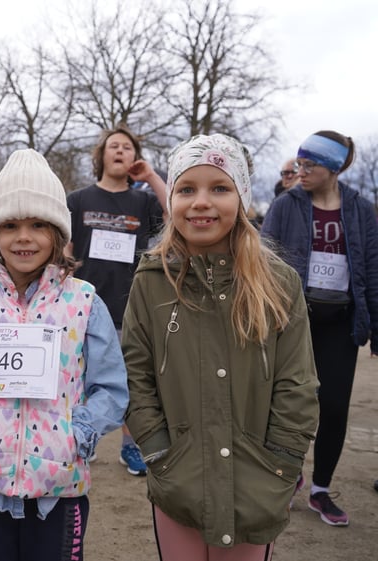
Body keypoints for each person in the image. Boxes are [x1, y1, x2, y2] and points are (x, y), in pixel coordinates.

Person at [0, 148, 128, 561]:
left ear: (59, 232)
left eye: (38, 224)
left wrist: (78, 435)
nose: (23, 237)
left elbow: (111, 388)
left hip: (60, 489)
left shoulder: (84, 302)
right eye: (11, 225)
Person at [122, 133, 319, 560]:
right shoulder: (151, 281)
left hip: (257, 478)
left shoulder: (279, 282)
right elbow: (134, 372)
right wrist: (158, 450)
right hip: (179, 476)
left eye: (220, 188)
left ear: (242, 197)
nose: (201, 202)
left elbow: (297, 381)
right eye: (187, 189)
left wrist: (282, 461)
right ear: (171, 197)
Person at [261, 130, 378, 527]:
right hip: (293, 320)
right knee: (284, 402)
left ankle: (321, 490)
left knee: (333, 407)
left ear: (334, 168)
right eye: (299, 162)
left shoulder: (361, 209)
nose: (300, 170)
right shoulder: (285, 204)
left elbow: (372, 270)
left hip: (340, 323)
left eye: (309, 164)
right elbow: (264, 261)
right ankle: (286, 476)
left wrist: (374, 327)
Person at [66, 124, 166, 476]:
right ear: (102, 155)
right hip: (84, 305)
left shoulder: (143, 201)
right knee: (77, 377)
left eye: (127, 147)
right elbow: (64, 245)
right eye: (113, 146)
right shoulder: (78, 199)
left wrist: (151, 176)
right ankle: (80, 436)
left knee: (132, 379)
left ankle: (130, 446)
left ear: (134, 157)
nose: (120, 151)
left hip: (130, 305)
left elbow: (178, 217)